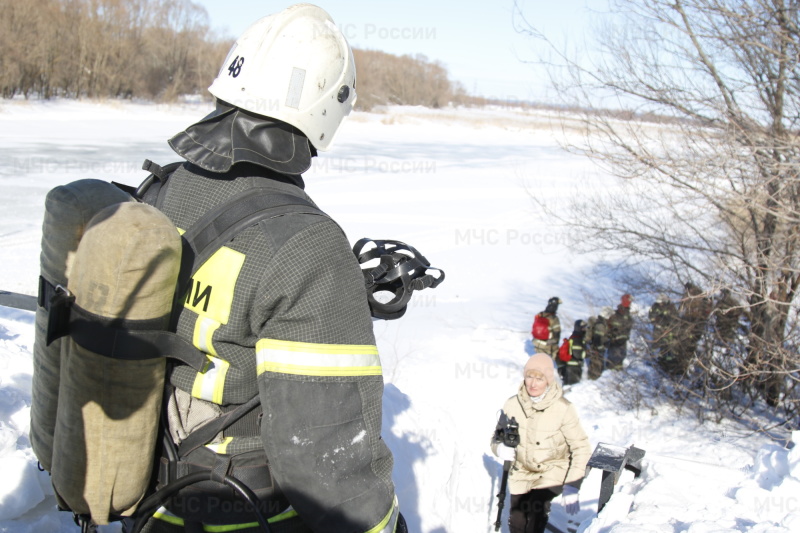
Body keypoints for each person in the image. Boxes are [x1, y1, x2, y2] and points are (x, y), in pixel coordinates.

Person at [137, 5, 401, 532]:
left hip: (156, 500)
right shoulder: (307, 246)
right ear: (327, 110)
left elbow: (225, 302)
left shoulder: (165, 191)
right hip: (242, 511)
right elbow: (327, 461)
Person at [491, 354, 591, 533]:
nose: (533, 383)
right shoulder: (512, 404)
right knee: (517, 522)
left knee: (535, 513)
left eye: (539, 378)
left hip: (552, 469)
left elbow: (581, 447)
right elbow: (497, 437)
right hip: (522, 472)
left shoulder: (563, 408)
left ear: (548, 380)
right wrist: (500, 448)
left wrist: (572, 484)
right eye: (530, 376)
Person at [648, 294, 680, 373]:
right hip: (658, 330)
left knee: (668, 346)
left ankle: (669, 364)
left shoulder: (671, 307)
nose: (660, 304)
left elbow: (675, 320)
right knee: (656, 344)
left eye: (661, 302)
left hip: (668, 330)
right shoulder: (655, 306)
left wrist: (668, 326)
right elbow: (651, 316)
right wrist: (657, 322)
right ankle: (655, 359)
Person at [606, 294, 634, 370]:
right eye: (629, 301)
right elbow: (607, 325)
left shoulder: (628, 316)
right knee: (613, 356)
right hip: (614, 340)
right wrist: (611, 334)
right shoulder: (614, 315)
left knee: (621, 356)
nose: (630, 303)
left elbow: (629, 327)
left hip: (623, 341)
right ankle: (610, 372)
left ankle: (617, 371)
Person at [557, 320, 587, 385]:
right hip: (573, 368)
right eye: (583, 328)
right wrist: (588, 354)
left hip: (570, 367)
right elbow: (578, 354)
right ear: (579, 328)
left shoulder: (575, 337)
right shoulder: (577, 339)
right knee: (572, 387)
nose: (585, 330)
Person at [586, 307, 611, 380]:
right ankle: (593, 380)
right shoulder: (600, 325)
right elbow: (598, 338)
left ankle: (593, 379)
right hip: (597, 350)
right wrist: (601, 348)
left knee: (597, 365)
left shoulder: (602, 323)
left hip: (597, 349)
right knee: (596, 366)